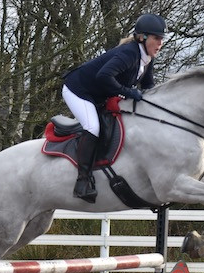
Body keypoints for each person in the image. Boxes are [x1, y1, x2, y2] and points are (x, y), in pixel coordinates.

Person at [62, 13, 166, 203]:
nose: (160, 43)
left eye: (162, 39)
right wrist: (127, 91)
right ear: (142, 37)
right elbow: (103, 76)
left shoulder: (147, 59)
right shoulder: (129, 53)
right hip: (78, 90)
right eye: (156, 38)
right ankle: (82, 182)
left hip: (97, 94)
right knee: (92, 127)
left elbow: (148, 88)